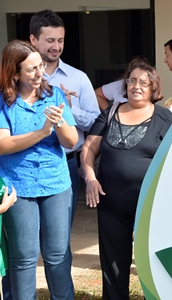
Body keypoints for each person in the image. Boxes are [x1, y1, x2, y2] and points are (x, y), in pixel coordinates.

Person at [80, 62, 172, 299]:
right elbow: (89, 148)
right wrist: (90, 178)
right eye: (132, 81)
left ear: (153, 87)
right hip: (111, 204)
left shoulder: (165, 117)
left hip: (151, 207)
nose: (137, 86)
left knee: (154, 261)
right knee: (113, 265)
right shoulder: (110, 112)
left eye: (144, 82)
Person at [0, 40, 78, 299]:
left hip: (55, 183)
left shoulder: (54, 94)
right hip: (18, 186)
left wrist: (58, 125)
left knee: (57, 255)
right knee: (24, 256)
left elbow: (71, 141)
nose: (39, 73)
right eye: (31, 69)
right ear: (15, 73)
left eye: (41, 65)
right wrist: (42, 132)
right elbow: (3, 144)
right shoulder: (3, 101)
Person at [29, 9, 100, 225]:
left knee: (59, 234)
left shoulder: (78, 78)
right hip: (25, 162)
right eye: (50, 40)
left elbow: (96, 121)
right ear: (33, 40)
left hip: (66, 162)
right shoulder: (17, 80)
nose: (56, 46)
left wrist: (70, 111)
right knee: (27, 235)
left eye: (60, 40)